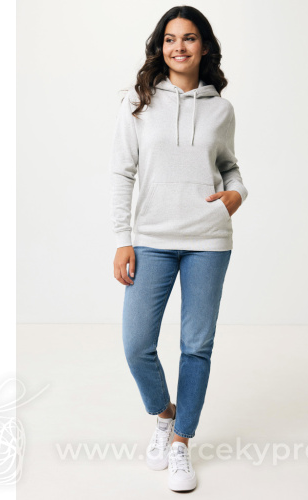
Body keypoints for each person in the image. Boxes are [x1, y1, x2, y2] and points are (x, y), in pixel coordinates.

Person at [109, 5, 248, 492]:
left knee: (196, 346)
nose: (179, 47)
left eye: (189, 38)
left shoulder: (220, 108)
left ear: (204, 46)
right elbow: (122, 172)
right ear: (160, 46)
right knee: (136, 344)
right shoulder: (139, 102)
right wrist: (123, 240)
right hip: (152, 239)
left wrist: (237, 194)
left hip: (208, 240)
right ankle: (165, 415)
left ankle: (182, 442)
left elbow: (230, 167)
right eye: (170, 39)